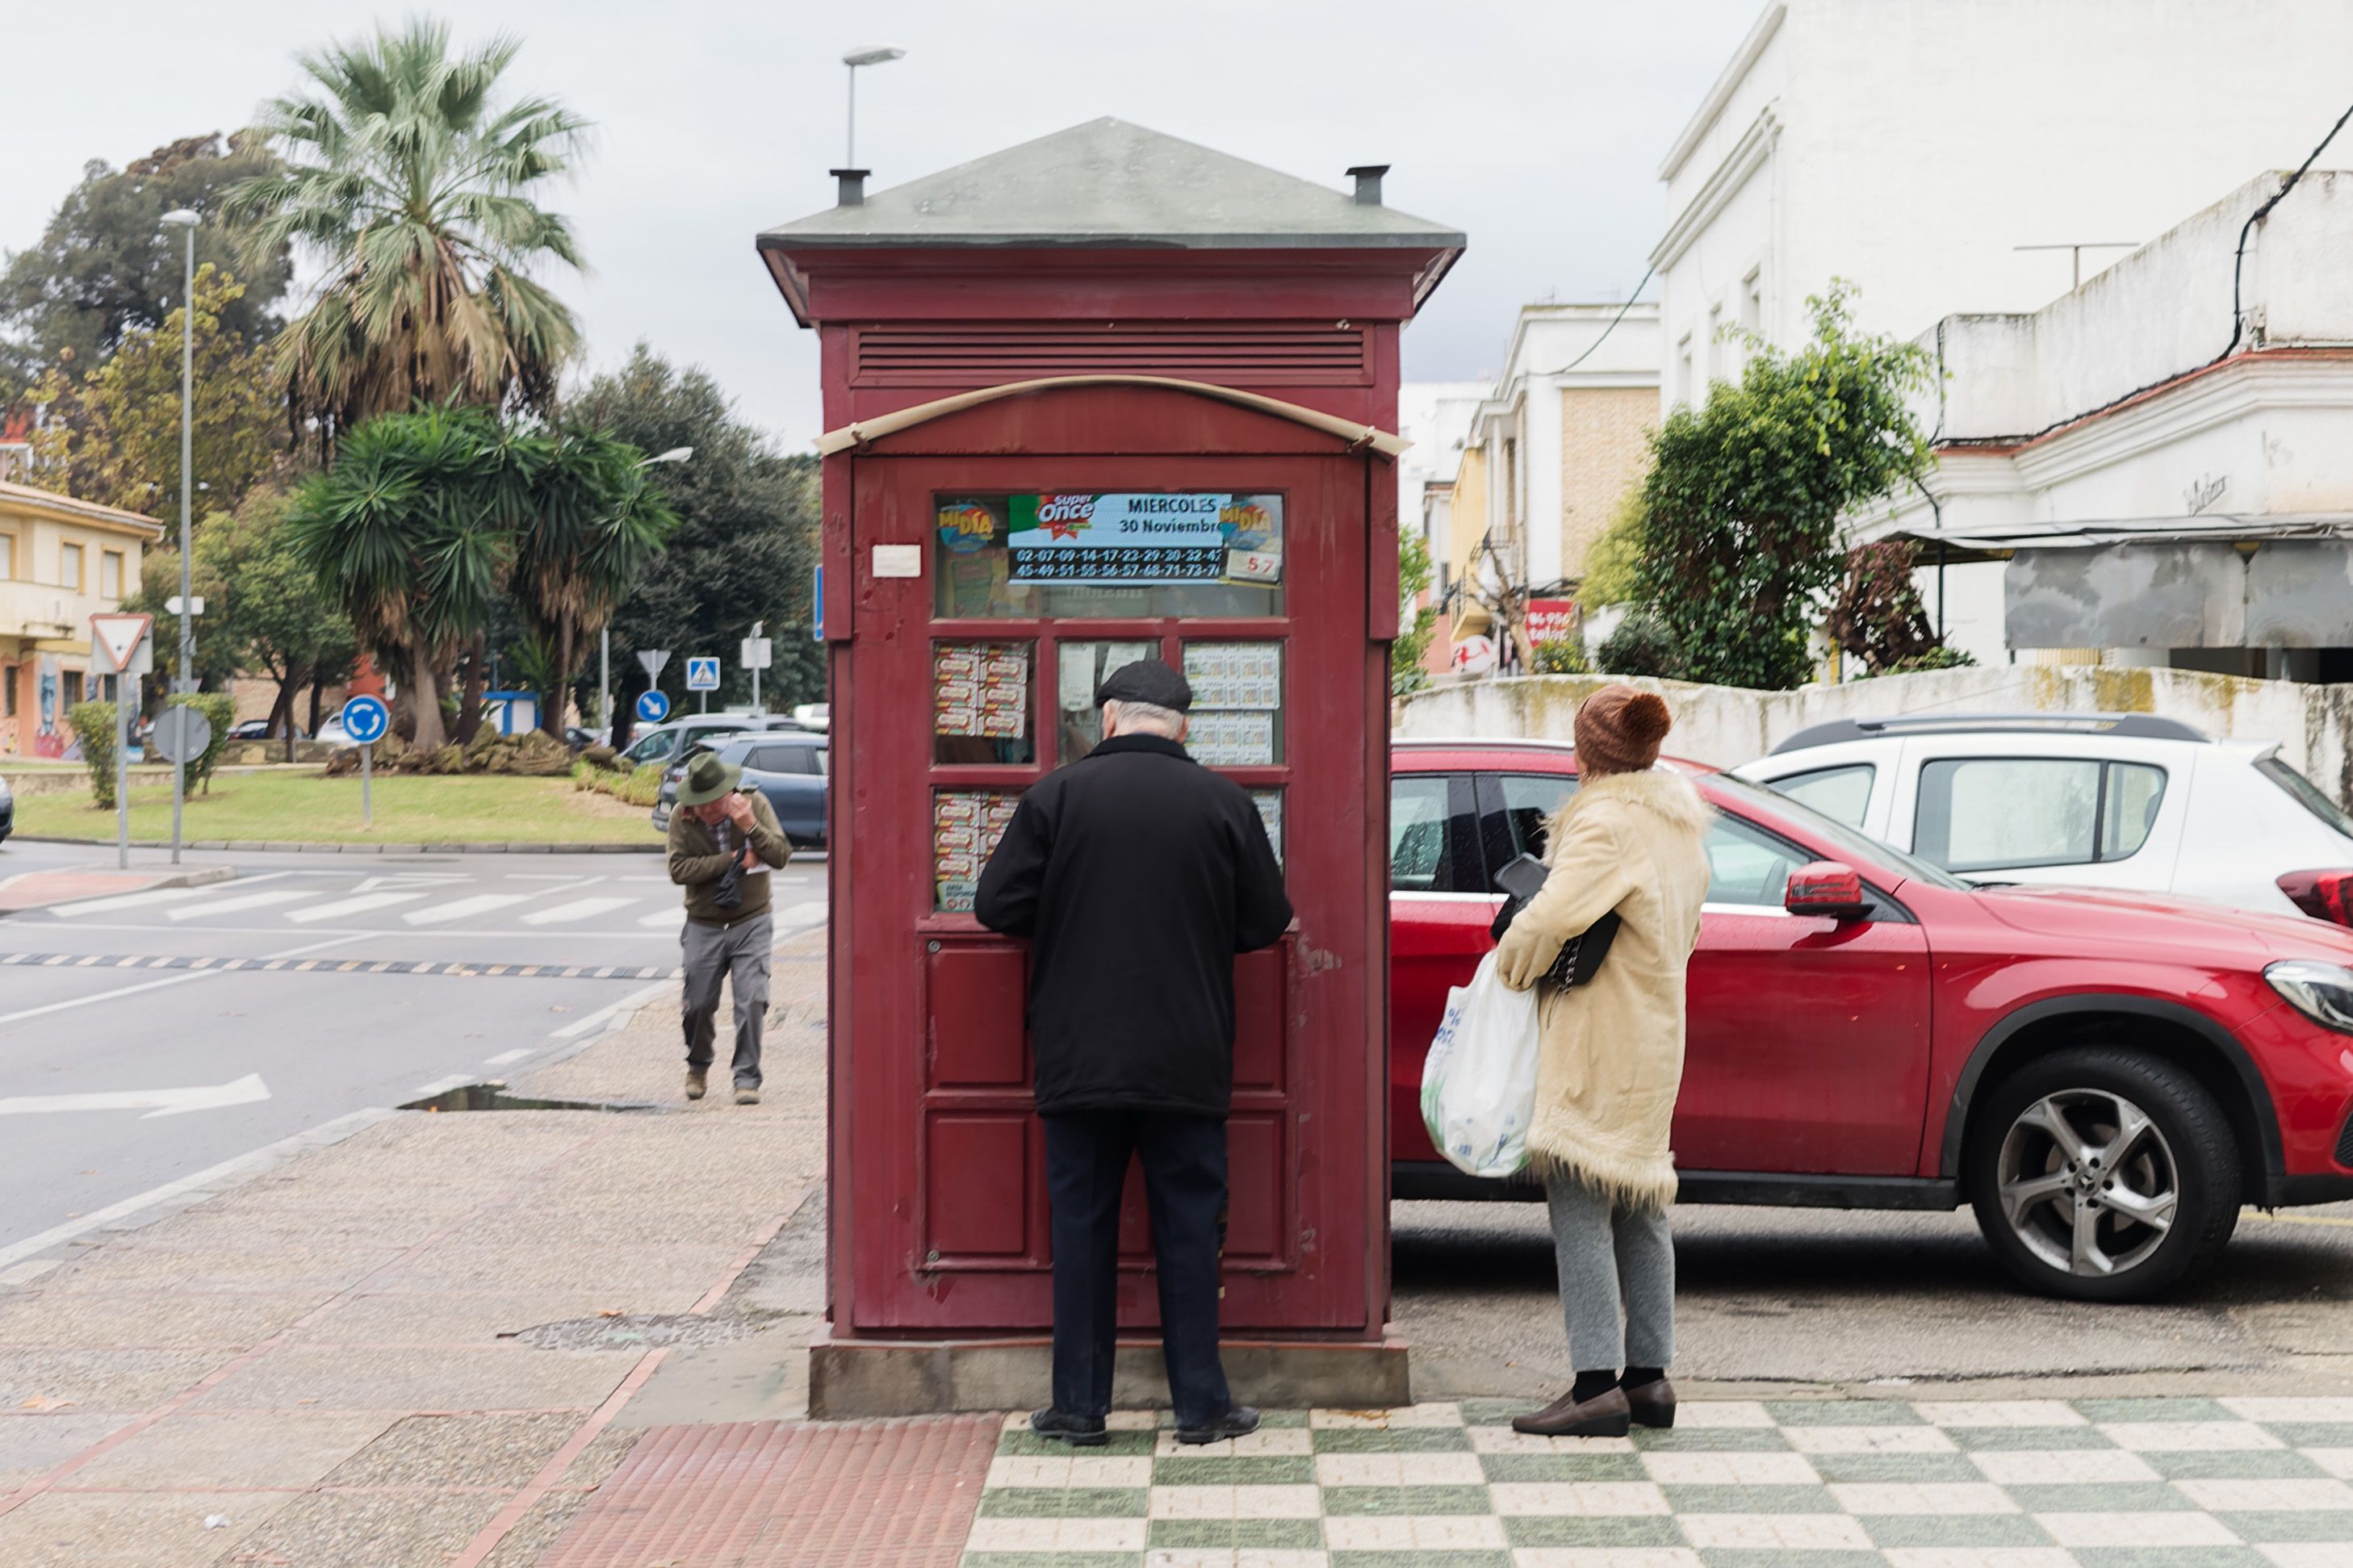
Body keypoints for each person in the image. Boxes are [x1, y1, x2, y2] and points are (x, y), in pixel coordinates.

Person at [975, 657, 1292, 1448]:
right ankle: (1200, 1406)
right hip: (1186, 1051)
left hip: (1079, 1053)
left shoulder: (1054, 795)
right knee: (1188, 1228)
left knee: (1082, 1230)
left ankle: (1079, 1408)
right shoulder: (1223, 802)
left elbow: (995, 905)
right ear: (1181, 724)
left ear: (1108, 716)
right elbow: (1264, 922)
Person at [1493, 684, 1711, 1437]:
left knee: (1580, 1200)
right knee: (1643, 1203)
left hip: (1597, 1037)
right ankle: (1648, 1381)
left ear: (1587, 753)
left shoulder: (1606, 822)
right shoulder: (1676, 826)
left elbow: (1549, 916)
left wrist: (1508, 967)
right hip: (1654, 1033)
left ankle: (1592, 1386)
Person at [667, 749, 793, 1106]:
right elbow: (679, 870)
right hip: (704, 921)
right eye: (699, 804)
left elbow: (781, 855)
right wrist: (732, 860)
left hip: (751, 918)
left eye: (712, 803)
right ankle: (698, 1064)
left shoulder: (754, 804)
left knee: (752, 999)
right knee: (698, 1003)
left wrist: (749, 827)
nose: (706, 811)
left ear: (729, 793)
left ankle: (747, 1077)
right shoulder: (683, 816)